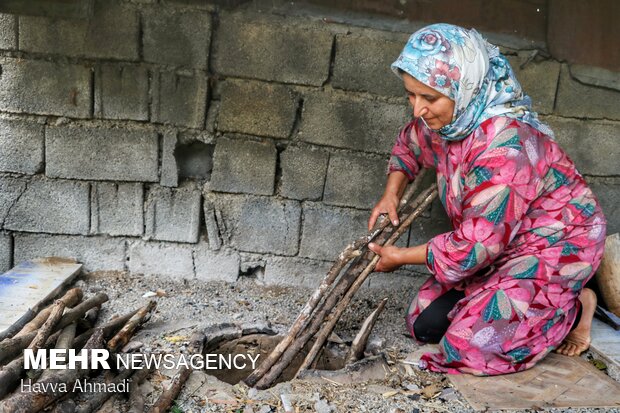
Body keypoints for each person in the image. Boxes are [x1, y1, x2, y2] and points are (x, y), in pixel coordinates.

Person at [366, 23, 607, 375]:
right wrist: (391, 195)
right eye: (410, 95)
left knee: (469, 349)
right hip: (499, 243)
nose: (417, 109)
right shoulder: (450, 121)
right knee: (423, 322)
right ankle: (519, 302)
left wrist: (400, 257)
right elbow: (410, 144)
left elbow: (475, 246)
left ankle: (569, 306)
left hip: (556, 244)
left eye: (429, 98)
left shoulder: (505, 147)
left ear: (465, 86)